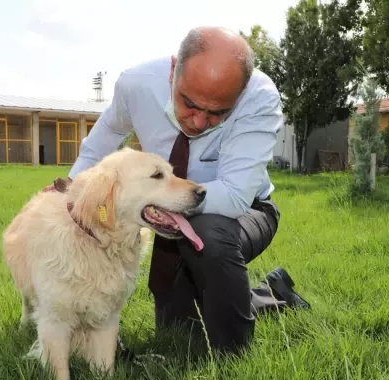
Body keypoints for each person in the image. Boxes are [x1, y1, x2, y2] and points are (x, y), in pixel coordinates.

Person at [65, 26, 310, 355]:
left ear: (239, 96)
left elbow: (235, 196)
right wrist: (73, 199)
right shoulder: (136, 85)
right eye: (189, 103)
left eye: (217, 113)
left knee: (208, 233)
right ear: (172, 72)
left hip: (246, 211)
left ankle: (232, 357)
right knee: (178, 327)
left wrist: (157, 205)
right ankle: (274, 292)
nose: (197, 122)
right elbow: (101, 143)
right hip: (172, 212)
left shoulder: (259, 98)